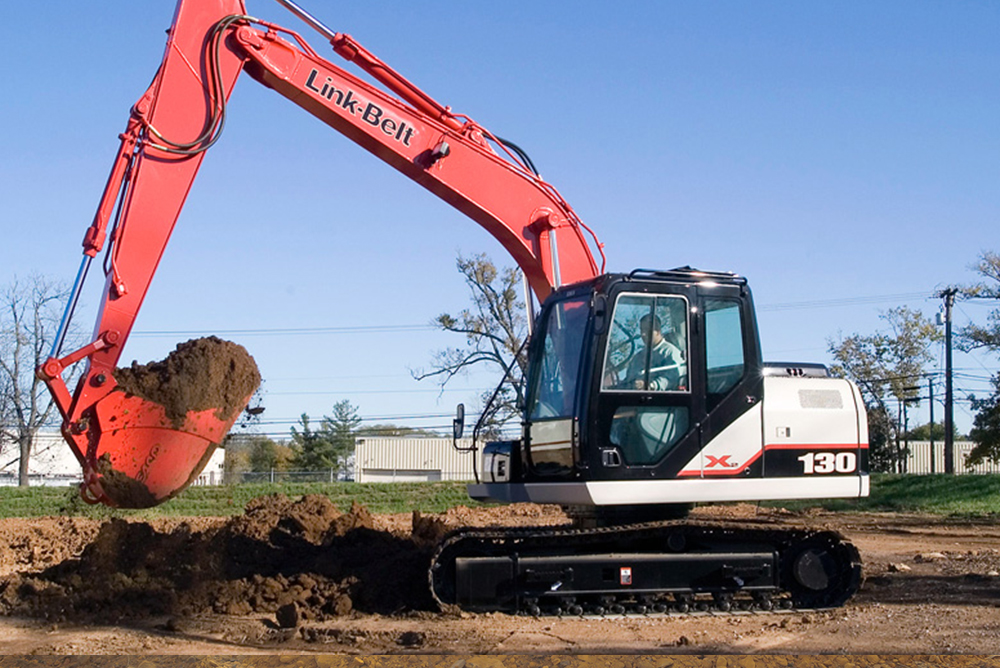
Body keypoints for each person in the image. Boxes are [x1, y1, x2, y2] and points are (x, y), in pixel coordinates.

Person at [623, 313, 686, 391]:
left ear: (658, 332)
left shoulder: (670, 352)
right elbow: (629, 379)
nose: (643, 334)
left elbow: (672, 378)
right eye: (642, 330)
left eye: (647, 330)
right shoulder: (638, 357)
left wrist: (651, 385)